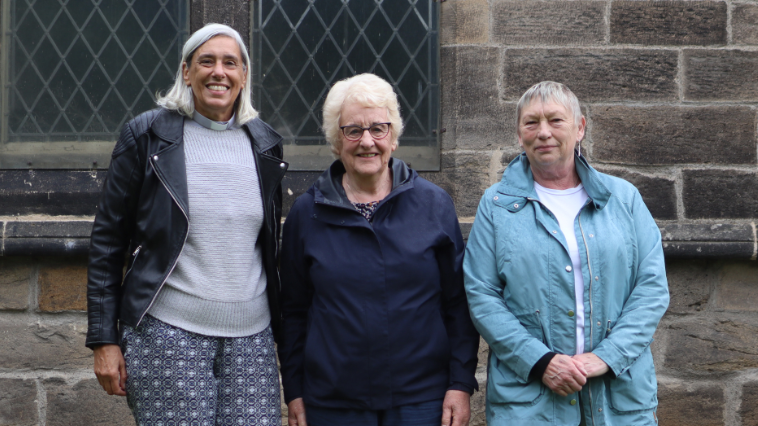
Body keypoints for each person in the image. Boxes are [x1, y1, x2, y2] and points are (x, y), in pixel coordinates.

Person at [85, 23, 287, 425]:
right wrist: (104, 339)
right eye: (206, 61)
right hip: (168, 336)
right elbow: (108, 241)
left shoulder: (265, 143)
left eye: (231, 63)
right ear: (186, 72)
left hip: (253, 340)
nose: (219, 72)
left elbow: (266, 244)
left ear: (244, 75)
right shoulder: (147, 135)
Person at [278, 73, 480, 426]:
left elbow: (458, 304)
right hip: (334, 404)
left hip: (422, 400)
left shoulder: (434, 206)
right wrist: (294, 390)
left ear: (394, 137)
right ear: (336, 141)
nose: (366, 141)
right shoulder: (306, 213)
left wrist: (460, 383)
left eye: (378, 129)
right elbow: (293, 311)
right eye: (353, 130)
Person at [463, 81, 669, 425]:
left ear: (580, 128)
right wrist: (541, 361)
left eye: (555, 120)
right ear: (519, 133)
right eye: (531, 122)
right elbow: (481, 295)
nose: (543, 132)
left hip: (617, 397)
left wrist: (607, 356)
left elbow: (651, 288)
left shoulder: (624, 199)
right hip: (531, 402)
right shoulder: (497, 205)